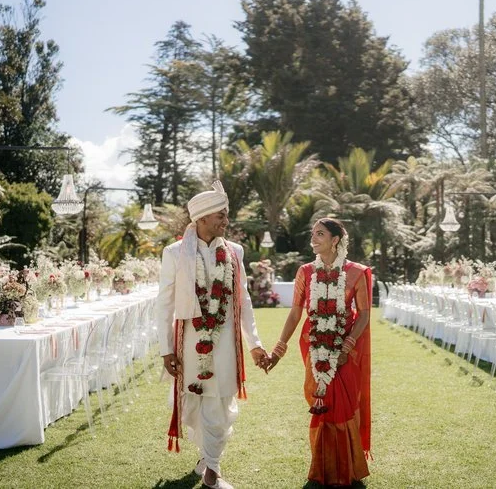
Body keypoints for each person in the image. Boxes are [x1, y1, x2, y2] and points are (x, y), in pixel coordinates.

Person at [156, 181, 269, 489]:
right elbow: (164, 303)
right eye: (221, 215)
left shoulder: (235, 252)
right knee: (198, 403)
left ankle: (211, 467)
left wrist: (255, 344)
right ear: (202, 218)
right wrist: (166, 349)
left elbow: (243, 300)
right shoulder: (175, 253)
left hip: (226, 343)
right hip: (191, 344)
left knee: (221, 402)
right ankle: (209, 462)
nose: (226, 221)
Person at [266, 218, 372, 486]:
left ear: (335, 240)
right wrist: (279, 348)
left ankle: (347, 469)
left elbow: (364, 313)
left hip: (345, 348)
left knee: (344, 402)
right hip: (314, 347)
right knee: (320, 401)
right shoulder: (305, 272)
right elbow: (295, 313)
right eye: (312, 233)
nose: (313, 239)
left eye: (320, 234)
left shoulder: (357, 272)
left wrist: (347, 346)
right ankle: (323, 465)